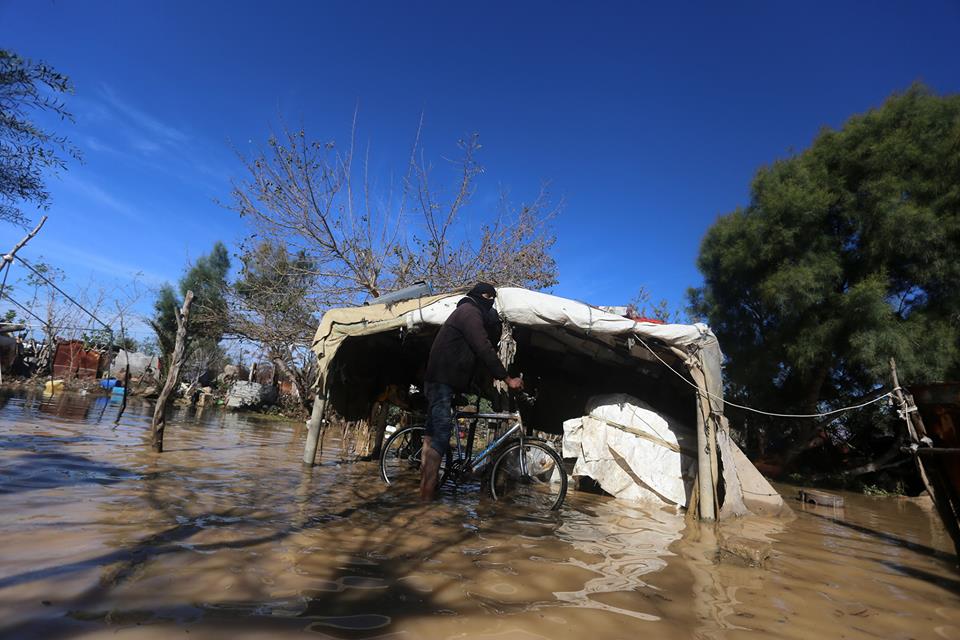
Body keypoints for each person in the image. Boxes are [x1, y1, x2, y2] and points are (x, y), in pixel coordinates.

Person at [419, 282, 523, 500]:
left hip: (442, 380)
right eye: (489, 297)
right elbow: (483, 347)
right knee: (439, 433)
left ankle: (426, 489)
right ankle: (426, 497)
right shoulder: (469, 312)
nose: (491, 301)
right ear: (482, 296)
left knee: (432, 434)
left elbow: (473, 357)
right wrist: (507, 378)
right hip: (441, 382)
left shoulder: (466, 311)